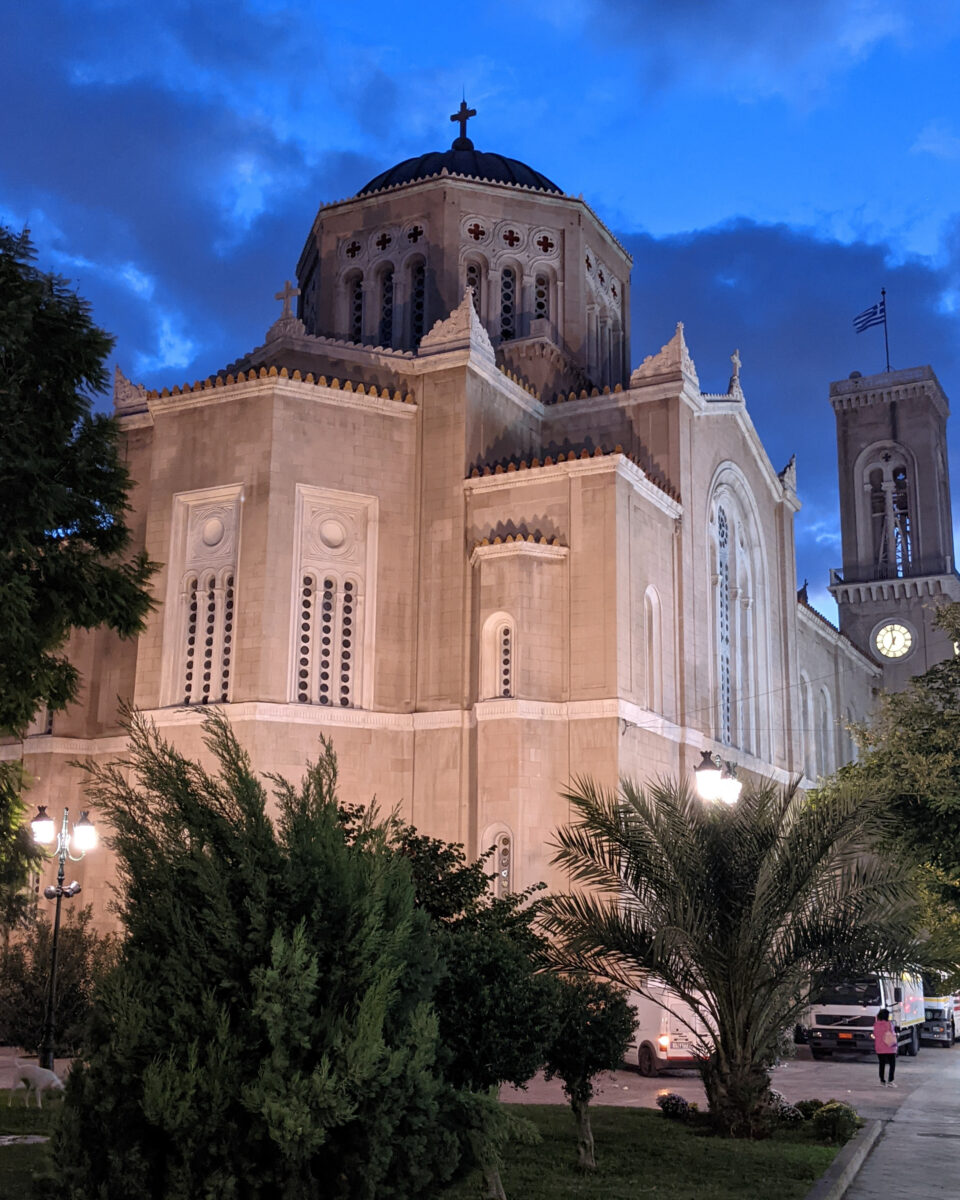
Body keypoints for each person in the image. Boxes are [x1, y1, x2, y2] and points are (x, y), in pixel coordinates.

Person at [874, 1007, 898, 1087]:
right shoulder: (889, 1024)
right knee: (892, 1064)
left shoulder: (876, 1024)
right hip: (890, 1047)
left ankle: (882, 1081)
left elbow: (875, 1034)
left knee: (882, 1064)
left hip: (880, 1048)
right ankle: (890, 1081)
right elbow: (892, 1033)